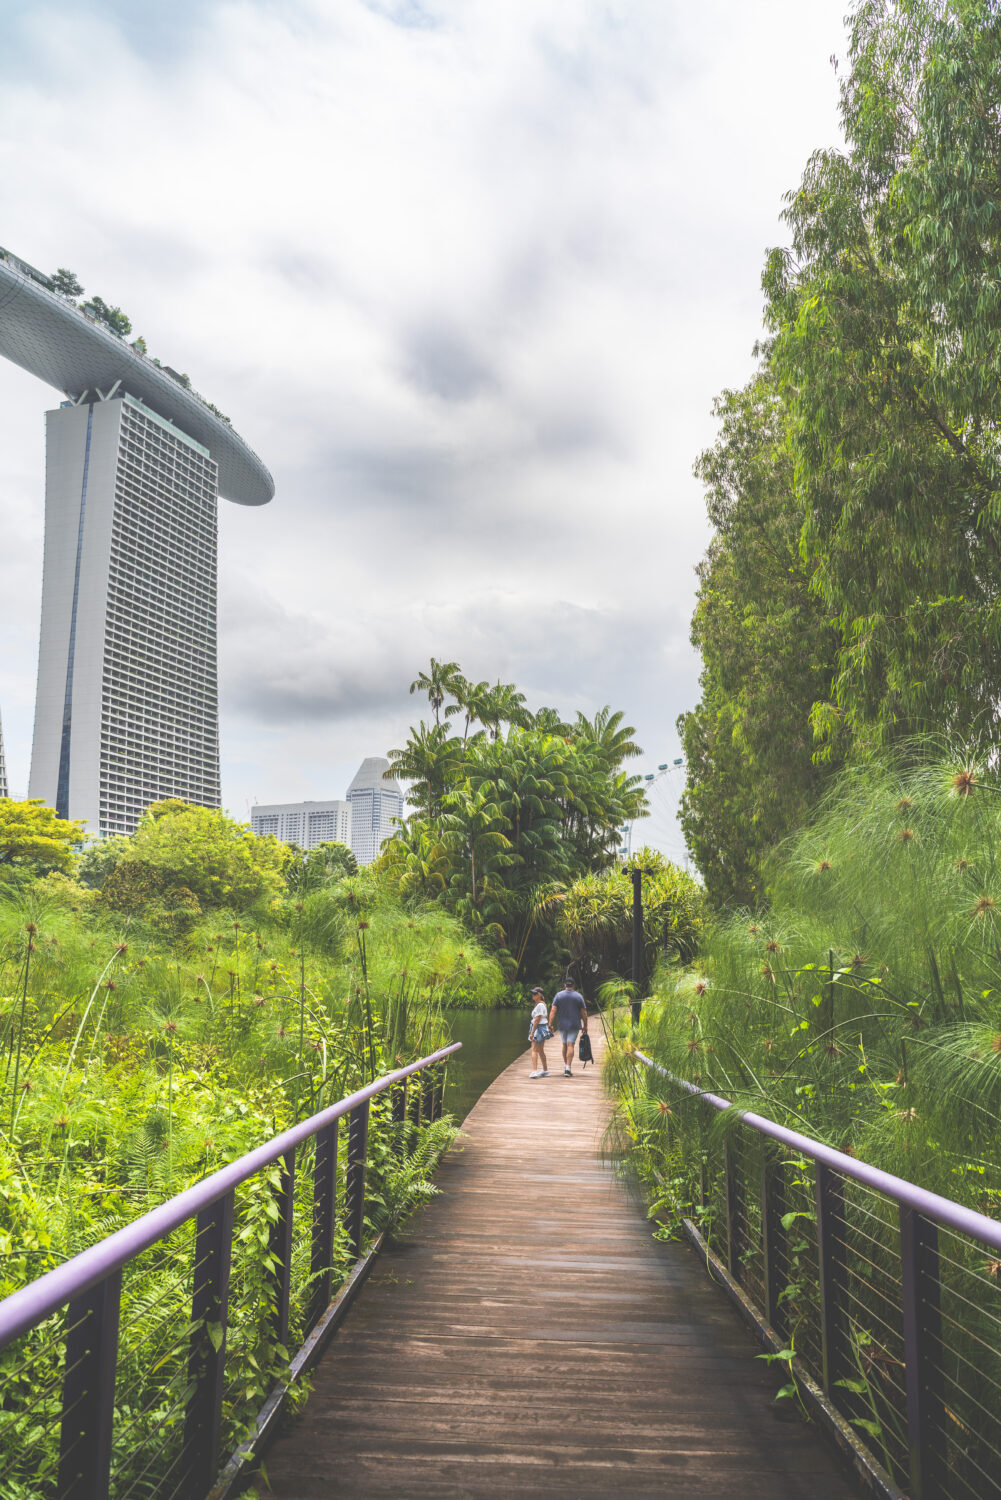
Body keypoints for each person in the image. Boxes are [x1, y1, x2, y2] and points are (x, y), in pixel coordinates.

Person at [549, 981, 588, 1076]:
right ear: (573, 985)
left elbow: (553, 1010)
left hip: (562, 1024)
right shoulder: (578, 996)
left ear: (564, 985)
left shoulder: (558, 995)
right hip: (574, 1024)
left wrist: (550, 1024)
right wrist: (585, 1025)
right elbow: (583, 1012)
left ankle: (566, 1065)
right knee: (570, 1045)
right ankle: (568, 1069)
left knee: (564, 1045)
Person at [527, 986, 550, 1078]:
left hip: (538, 1028)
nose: (533, 995)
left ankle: (535, 1071)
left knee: (534, 1050)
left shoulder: (540, 1005)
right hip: (542, 1027)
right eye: (533, 993)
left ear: (539, 995)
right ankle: (545, 1070)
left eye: (535, 994)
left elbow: (537, 1019)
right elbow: (546, 1017)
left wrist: (532, 1033)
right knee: (540, 1050)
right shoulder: (542, 1004)